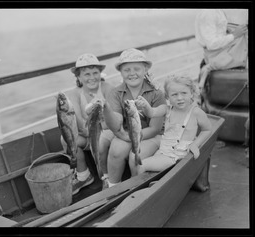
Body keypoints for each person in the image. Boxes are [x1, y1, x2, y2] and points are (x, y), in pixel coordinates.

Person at [102, 48, 166, 188]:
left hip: (151, 135)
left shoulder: (156, 93)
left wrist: (132, 138)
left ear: (145, 69)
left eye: (137, 68)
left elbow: (155, 129)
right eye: (126, 70)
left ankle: (134, 187)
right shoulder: (115, 93)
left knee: (135, 158)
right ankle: (113, 186)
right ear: (121, 72)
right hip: (127, 132)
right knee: (116, 151)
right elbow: (117, 122)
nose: (132, 73)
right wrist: (106, 109)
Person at [129, 75, 212, 175]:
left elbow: (207, 129)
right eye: (174, 95)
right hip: (163, 151)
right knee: (146, 162)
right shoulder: (167, 109)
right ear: (168, 97)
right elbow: (151, 113)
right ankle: (149, 184)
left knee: (142, 165)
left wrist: (195, 144)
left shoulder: (196, 112)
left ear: (192, 93)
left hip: (177, 156)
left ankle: (134, 186)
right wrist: (145, 105)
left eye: (184, 93)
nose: (180, 98)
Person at [61, 53, 114, 195]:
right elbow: (77, 119)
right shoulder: (75, 94)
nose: (92, 77)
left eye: (95, 72)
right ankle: (84, 175)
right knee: (67, 138)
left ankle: (107, 177)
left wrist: (97, 129)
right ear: (78, 77)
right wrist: (90, 131)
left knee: (101, 141)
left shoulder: (107, 88)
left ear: (100, 73)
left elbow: (114, 119)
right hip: (87, 133)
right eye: (86, 74)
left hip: (107, 133)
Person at [195, 9, 248, 90]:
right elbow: (211, 44)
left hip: (221, 52)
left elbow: (218, 34)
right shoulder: (209, 13)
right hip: (217, 55)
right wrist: (234, 35)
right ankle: (210, 66)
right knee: (243, 36)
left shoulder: (217, 11)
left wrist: (229, 32)